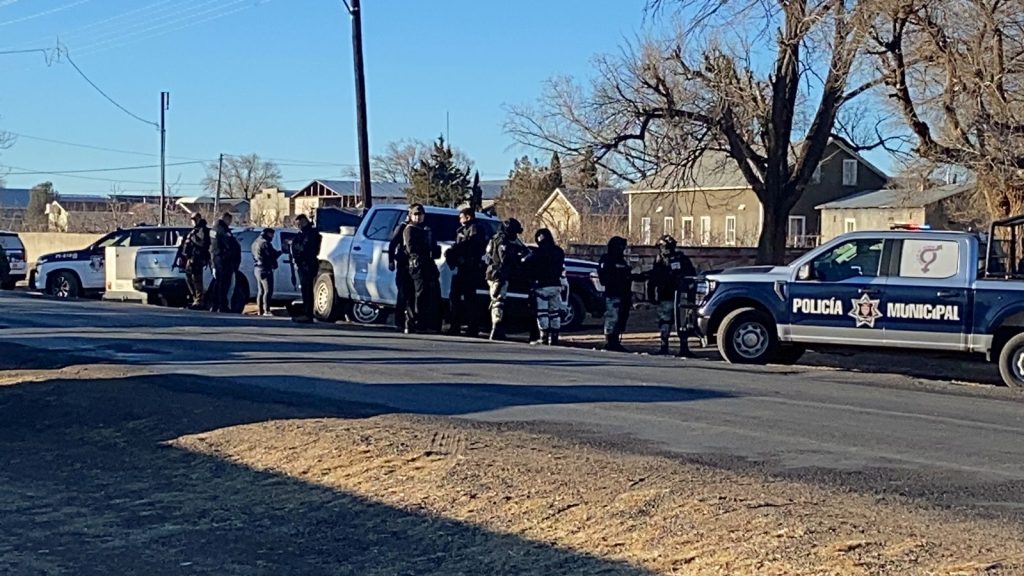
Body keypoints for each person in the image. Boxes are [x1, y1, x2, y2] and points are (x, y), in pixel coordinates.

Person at [646, 234, 697, 357]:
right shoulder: (659, 260)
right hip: (665, 296)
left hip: (681, 296)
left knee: (683, 322)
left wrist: (690, 293)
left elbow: (691, 276)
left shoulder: (682, 259)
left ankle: (683, 347)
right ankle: (664, 346)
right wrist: (651, 294)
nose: (664, 249)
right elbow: (654, 278)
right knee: (665, 321)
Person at [445, 208, 489, 336]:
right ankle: (455, 325)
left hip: (470, 269)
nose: (460, 220)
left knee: (470, 299)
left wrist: (461, 254)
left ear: (468, 217)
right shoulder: (462, 231)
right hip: (461, 269)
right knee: (455, 297)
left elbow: (472, 247)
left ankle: (472, 327)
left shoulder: (476, 230)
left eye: (461, 217)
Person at [485, 218, 527, 341]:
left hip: (495, 273)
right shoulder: (502, 241)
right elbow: (503, 259)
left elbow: (523, 249)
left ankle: (498, 327)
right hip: (498, 274)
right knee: (498, 301)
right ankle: (496, 328)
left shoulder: (500, 239)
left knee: (498, 300)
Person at [522, 228, 566, 346]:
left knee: (542, 312)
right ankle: (555, 338)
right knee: (555, 313)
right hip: (556, 285)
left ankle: (544, 337)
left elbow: (525, 262)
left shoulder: (537, 253)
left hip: (541, 286)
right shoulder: (559, 251)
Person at [402, 204, 442, 333]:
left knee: (428, 295)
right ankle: (413, 322)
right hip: (416, 265)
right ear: (411, 215)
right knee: (417, 294)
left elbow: (435, 249)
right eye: (416, 215)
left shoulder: (427, 230)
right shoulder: (410, 229)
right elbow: (411, 248)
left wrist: (435, 250)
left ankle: (425, 322)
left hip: (429, 266)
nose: (418, 217)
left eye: (420, 215)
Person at [598, 236, 639, 352]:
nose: (622, 249)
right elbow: (604, 278)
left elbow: (627, 276)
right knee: (612, 317)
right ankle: (610, 341)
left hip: (624, 294)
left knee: (621, 317)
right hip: (613, 294)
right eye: (620, 247)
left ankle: (616, 341)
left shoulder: (622, 261)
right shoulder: (607, 259)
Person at [290, 214, 322, 323]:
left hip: (307, 264)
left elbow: (305, 248)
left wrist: (295, 248)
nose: (297, 226)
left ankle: (308, 314)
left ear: (304, 221)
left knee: (307, 289)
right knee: (305, 290)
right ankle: (306, 312)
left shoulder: (310, 234)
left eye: (299, 223)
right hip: (303, 264)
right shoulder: (304, 234)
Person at [175, 212, 210, 309]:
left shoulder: (203, 230)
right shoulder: (194, 230)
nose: (193, 221)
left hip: (198, 258)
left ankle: (199, 301)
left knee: (197, 280)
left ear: (199, 218)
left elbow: (203, 243)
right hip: (190, 259)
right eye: (192, 219)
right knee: (189, 279)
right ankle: (195, 299)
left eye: (195, 219)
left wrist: (192, 238)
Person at [210, 212, 241, 313]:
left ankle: (215, 304)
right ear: (226, 219)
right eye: (230, 220)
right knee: (223, 284)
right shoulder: (222, 229)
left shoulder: (214, 228)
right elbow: (229, 244)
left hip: (216, 258)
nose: (230, 223)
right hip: (224, 260)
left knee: (218, 283)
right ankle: (222, 305)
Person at [388, 214, 412, 332]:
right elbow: (392, 245)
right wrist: (391, 261)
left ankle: (412, 321)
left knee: (413, 295)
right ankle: (400, 322)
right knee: (403, 294)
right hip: (404, 265)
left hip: (417, 267)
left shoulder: (423, 227)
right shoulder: (403, 228)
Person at [252, 228, 281, 317]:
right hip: (265, 268)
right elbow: (272, 255)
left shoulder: (255, 242)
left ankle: (260, 310)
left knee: (261, 291)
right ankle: (266, 310)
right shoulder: (265, 243)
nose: (272, 237)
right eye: (272, 234)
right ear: (268, 234)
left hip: (257, 268)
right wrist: (280, 251)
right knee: (268, 290)